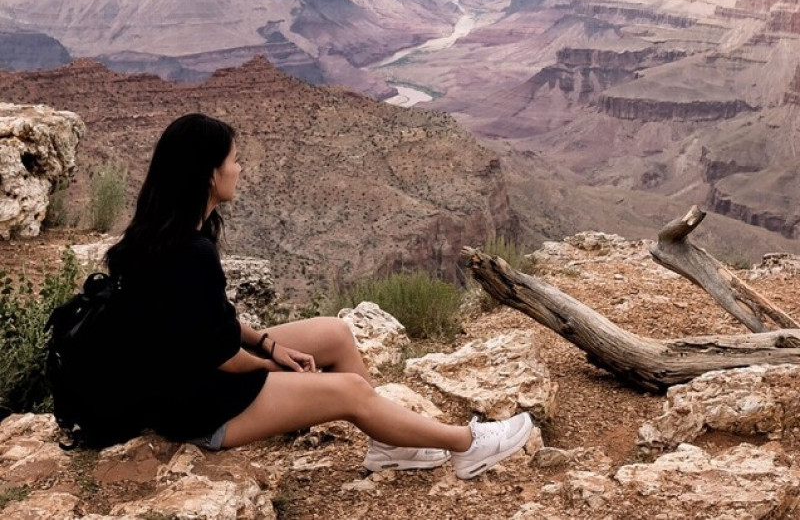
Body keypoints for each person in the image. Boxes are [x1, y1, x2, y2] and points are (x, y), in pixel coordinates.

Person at [105, 113, 533, 479]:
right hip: (196, 410)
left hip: (187, 381)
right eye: (234, 161)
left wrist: (270, 344)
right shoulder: (189, 251)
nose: (240, 169)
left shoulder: (161, 235)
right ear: (209, 175)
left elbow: (210, 321)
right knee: (347, 391)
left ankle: (390, 446)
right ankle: (466, 444)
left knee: (335, 334)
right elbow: (218, 355)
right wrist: (275, 366)